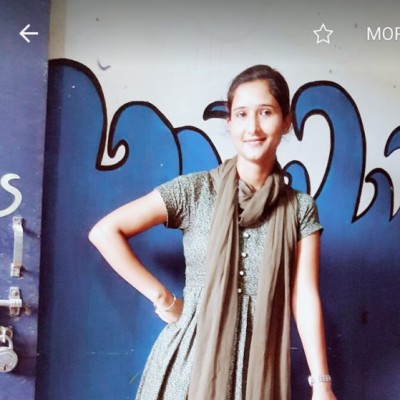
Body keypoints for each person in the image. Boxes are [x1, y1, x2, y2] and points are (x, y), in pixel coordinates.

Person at [89, 65, 337, 400]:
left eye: (266, 112)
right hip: (188, 366)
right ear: (229, 122)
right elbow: (105, 232)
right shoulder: (195, 192)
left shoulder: (300, 208)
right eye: (242, 114)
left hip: (259, 369)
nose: (253, 127)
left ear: (286, 122)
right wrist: (163, 299)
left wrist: (321, 384)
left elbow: (304, 296)